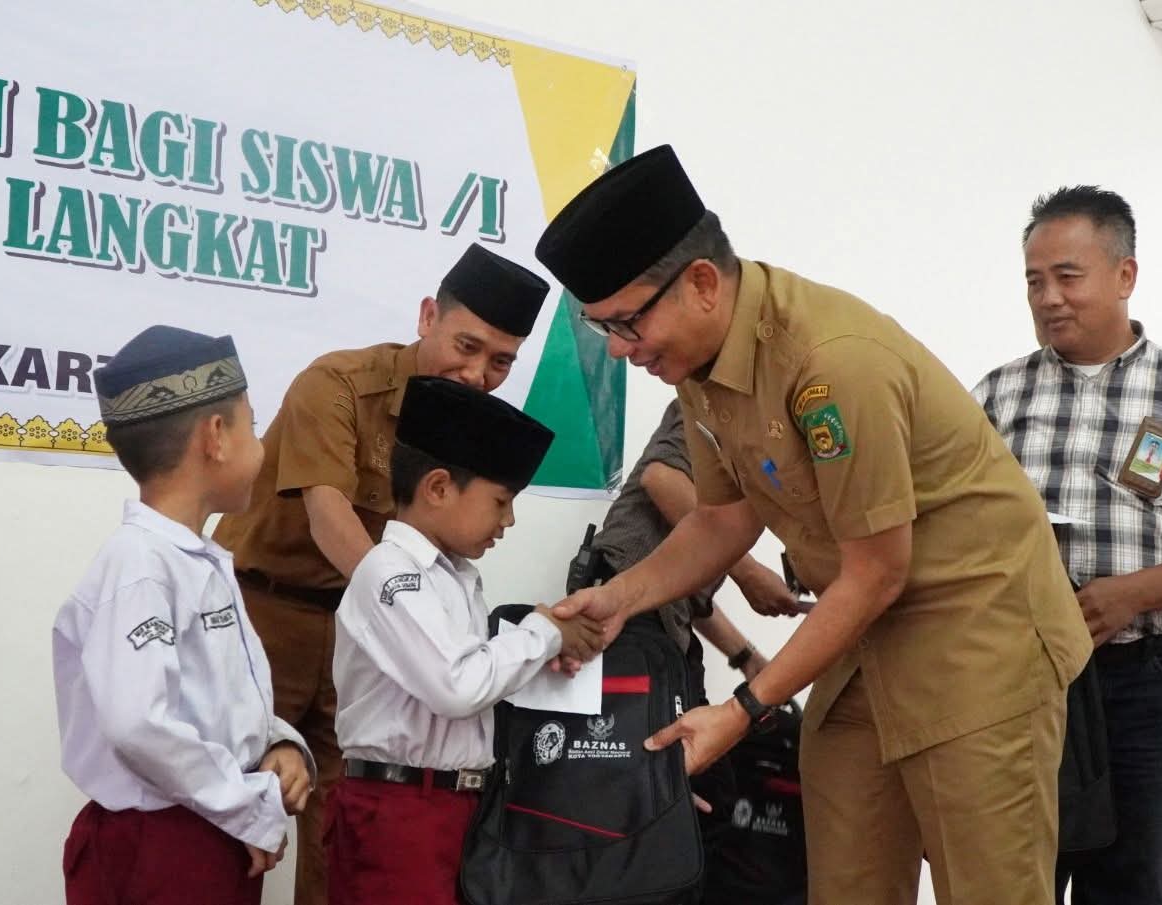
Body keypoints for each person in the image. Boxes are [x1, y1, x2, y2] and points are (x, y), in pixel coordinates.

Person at [537, 145, 1092, 904]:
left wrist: (742, 708)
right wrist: (620, 597)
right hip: (861, 641)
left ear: (701, 283)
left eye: (627, 323)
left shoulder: (831, 363)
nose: (620, 350)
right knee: (846, 883)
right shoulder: (700, 368)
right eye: (601, 327)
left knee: (989, 888)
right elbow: (722, 520)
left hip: (976, 637)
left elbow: (877, 569)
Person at [209, 244, 549, 904]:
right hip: (264, 619)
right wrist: (408, 611)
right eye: (467, 344)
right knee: (235, 824)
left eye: (501, 360)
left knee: (340, 835)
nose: (478, 373)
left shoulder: (456, 429)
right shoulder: (337, 383)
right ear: (428, 316)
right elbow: (328, 514)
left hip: (357, 638)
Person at [972, 185, 1162, 905]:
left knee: (1135, 879)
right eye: (1034, 280)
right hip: (1021, 675)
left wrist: (1129, 595)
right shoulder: (995, 397)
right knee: (1015, 876)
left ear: (1124, 275)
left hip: (1147, 679)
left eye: (1068, 276)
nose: (1049, 297)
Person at [53, 326, 314, 905]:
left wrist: (281, 744)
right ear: (216, 437)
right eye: (254, 423)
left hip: (209, 831)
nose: (263, 446)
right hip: (163, 849)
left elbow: (213, 700)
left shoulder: (193, 559)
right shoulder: (140, 566)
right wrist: (247, 807)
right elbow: (139, 724)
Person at [324, 375, 603, 904]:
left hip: (456, 811)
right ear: (437, 488)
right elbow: (455, 685)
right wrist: (543, 632)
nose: (510, 519)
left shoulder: (455, 576)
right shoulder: (389, 572)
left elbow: (470, 673)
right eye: (501, 500)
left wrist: (543, 655)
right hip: (397, 815)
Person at [584, 399, 791, 705]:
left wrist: (746, 656)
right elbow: (661, 479)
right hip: (628, 611)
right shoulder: (718, 399)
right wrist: (749, 572)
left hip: (660, 621)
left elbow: (683, 589)